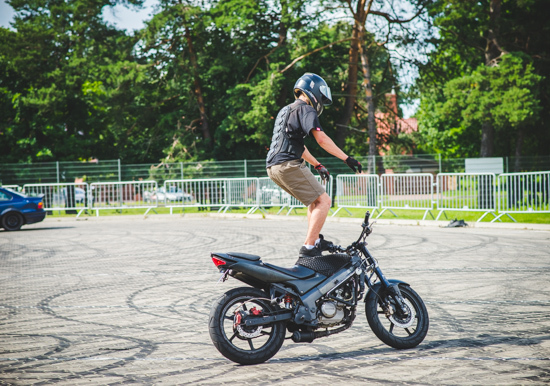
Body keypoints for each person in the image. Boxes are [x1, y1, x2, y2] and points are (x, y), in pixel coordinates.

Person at [266, 72, 362, 258]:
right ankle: (309, 248)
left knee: (315, 200)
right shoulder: (306, 110)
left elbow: (298, 146)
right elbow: (322, 140)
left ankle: (314, 240)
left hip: (274, 167)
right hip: (288, 165)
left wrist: (318, 165)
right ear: (314, 92)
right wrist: (346, 158)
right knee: (324, 201)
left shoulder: (286, 110)